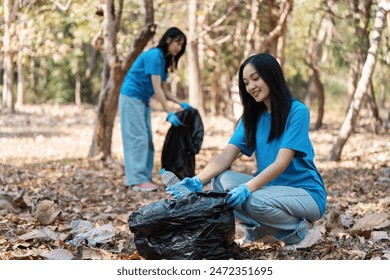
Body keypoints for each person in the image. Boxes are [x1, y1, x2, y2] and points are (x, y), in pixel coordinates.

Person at [166, 53, 327, 249]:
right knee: (219, 182)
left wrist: (247, 188)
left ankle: (301, 233)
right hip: (269, 191)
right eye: (246, 82)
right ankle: (265, 230)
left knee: (252, 199)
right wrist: (198, 180)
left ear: (271, 75)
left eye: (256, 78)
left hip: (306, 194)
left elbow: (281, 163)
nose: (250, 87)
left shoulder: (297, 111)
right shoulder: (252, 117)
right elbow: (227, 155)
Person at [119, 27, 191, 192]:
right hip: (131, 97)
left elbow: (165, 91)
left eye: (181, 46)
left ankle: (143, 178)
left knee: (147, 139)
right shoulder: (154, 56)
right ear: (168, 40)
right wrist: (169, 112)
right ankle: (136, 180)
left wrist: (181, 103)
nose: (179, 48)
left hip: (142, 99)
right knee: (138, 139)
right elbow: (157, 88)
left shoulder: (163, 61)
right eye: (177, 43)